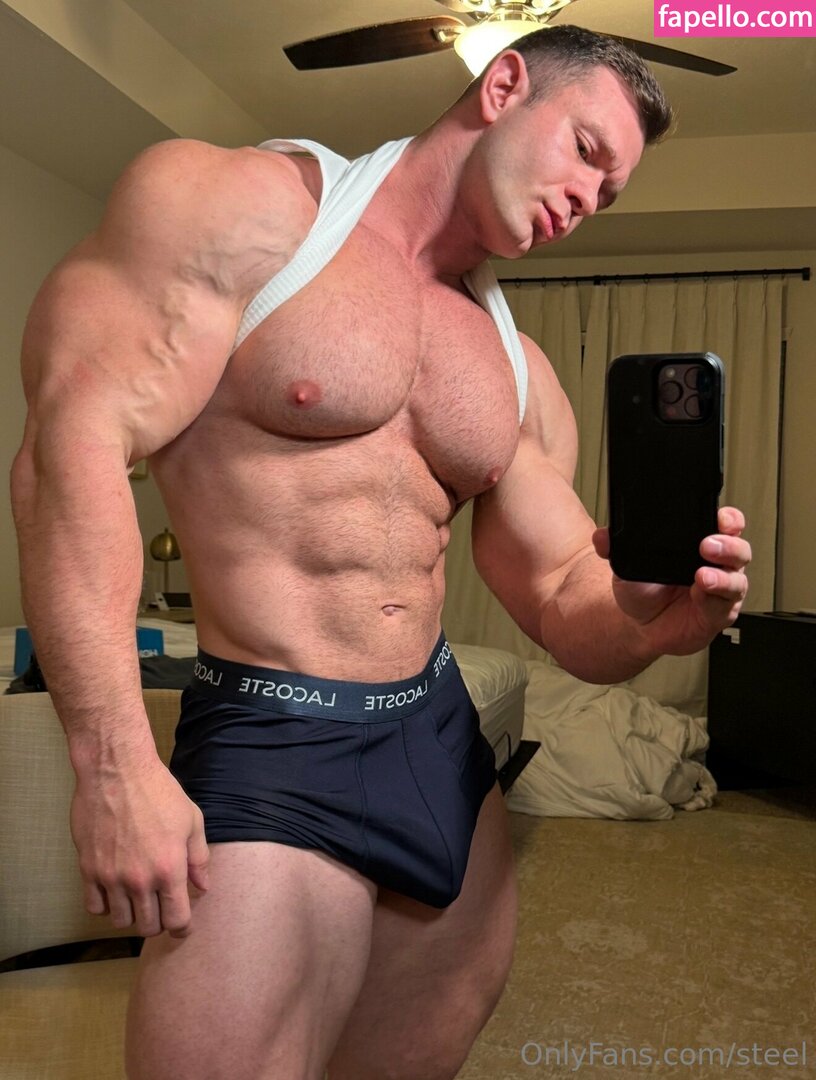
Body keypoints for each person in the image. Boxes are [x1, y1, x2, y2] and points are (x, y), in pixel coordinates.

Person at [11, 24, 750, 1080]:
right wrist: (113, 763)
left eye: (611, 191)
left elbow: (560, 594)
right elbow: (69, 450)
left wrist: (653, 620)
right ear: (503, 84)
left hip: (439, 743)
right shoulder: (244, 212)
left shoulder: (515, 367)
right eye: (587, 150)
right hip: (273, 738)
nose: (589, 197)